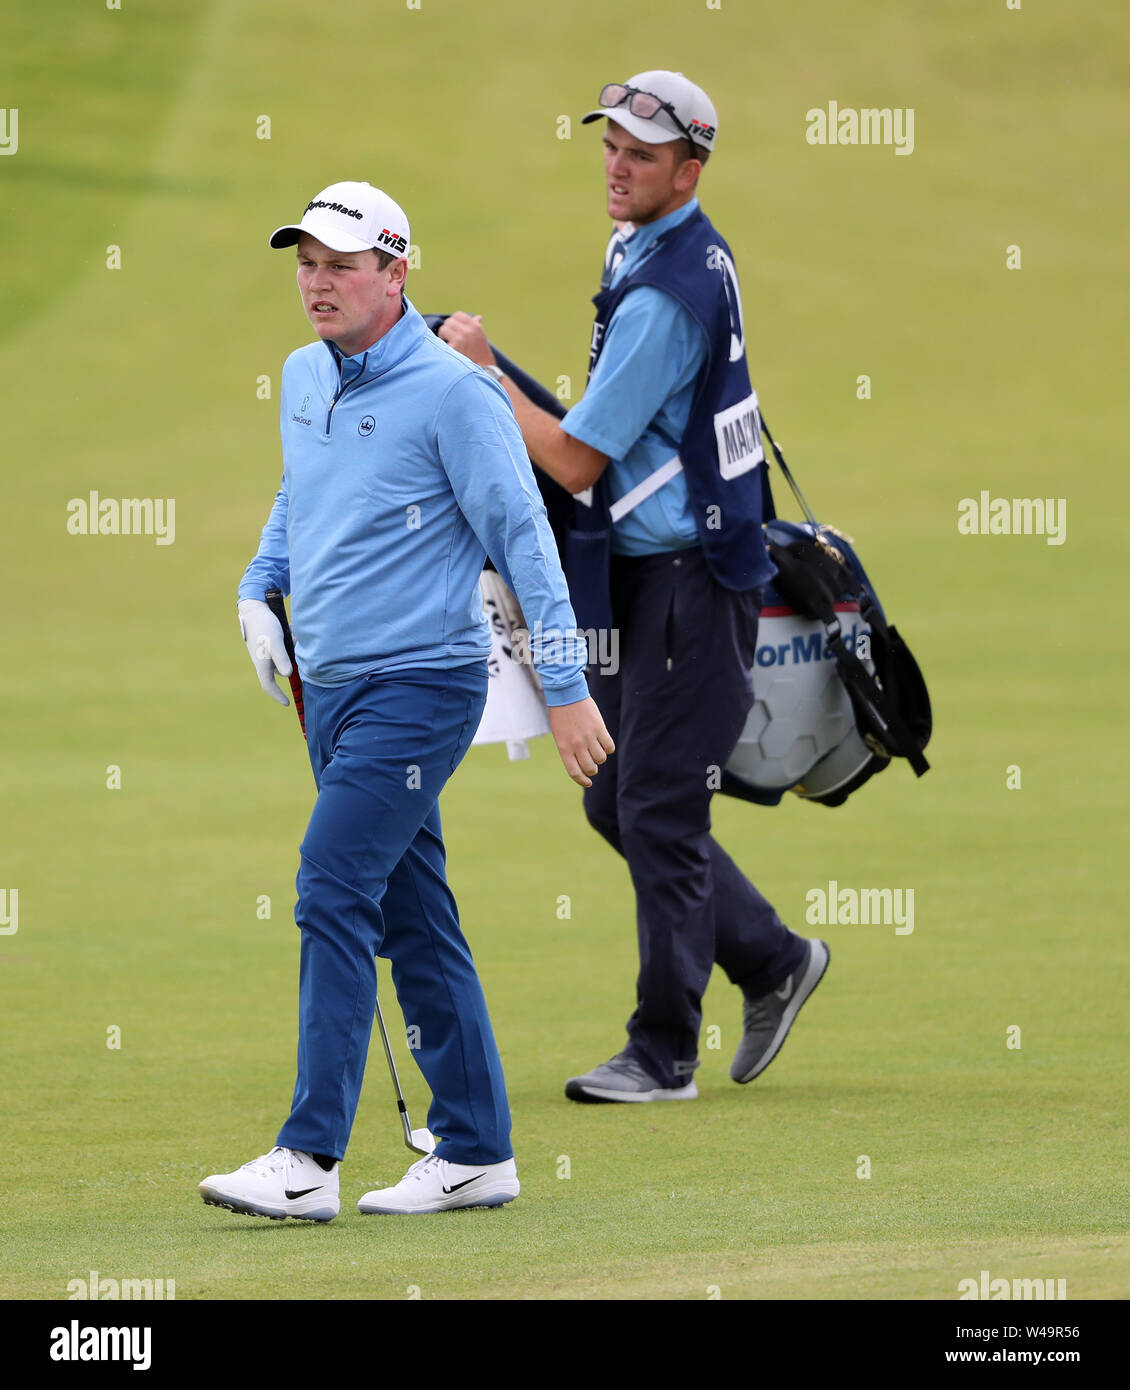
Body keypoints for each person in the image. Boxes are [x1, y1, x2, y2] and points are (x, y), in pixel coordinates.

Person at [199, 180, 613, 1220]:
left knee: (330, 886)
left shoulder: (453, 394)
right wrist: (258, 588)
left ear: (396, 270)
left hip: (420, 685)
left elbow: (524, 540)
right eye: (305, 263)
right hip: (327, 683)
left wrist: (564, 689)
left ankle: (307, 1158)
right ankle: (475, 1149)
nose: (317, 283)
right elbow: (303, 494)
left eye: (340, 265)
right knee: (411, 914)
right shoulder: (302, 375)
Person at [439, 72, 829, 1104]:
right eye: (608, 146)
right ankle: (774, 957)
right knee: (623, 800)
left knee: (650, 807)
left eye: (641, 155)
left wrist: (479, 374)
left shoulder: (664, 288)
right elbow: (600, 435)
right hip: (650, 570)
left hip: (689, 581)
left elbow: (572, 463)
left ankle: (662, 1051)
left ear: (688, 170)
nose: (615, 167)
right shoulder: (656, 247)